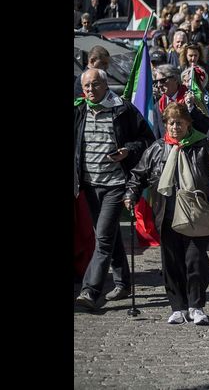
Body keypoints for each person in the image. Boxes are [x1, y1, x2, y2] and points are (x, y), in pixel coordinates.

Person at [123, 103, 209, 325]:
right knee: (171, 262)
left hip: (196, 215)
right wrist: (130, 194)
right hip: (167, 214)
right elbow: (138, 175)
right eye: (171, 123)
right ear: (165, 125)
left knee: (195, 261)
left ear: (188, 124)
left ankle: (196, 305)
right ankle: (178, 307)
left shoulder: (203, 147)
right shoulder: (156, 148)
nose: (175, 127)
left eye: (179, 122)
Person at [74, 69, 155, 311]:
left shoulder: (122, 109)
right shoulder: (79, 110)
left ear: (106, 85)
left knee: (103, 238)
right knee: (108, 233)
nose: (90, 90)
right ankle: (123, 282)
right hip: (88, 184)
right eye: (86, 86)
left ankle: (90, 291)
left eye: (95, 85)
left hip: (115, 184)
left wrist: (128, 150)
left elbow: (146, 139)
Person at [154, 64, 209, 134]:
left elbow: (207, 127)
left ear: (175, 79)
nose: (159, 85)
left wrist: (191, 108)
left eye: (163, 80)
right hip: (167, 144)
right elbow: (157, 134)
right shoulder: (158, 106)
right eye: (156, 82)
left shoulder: (192, 98)